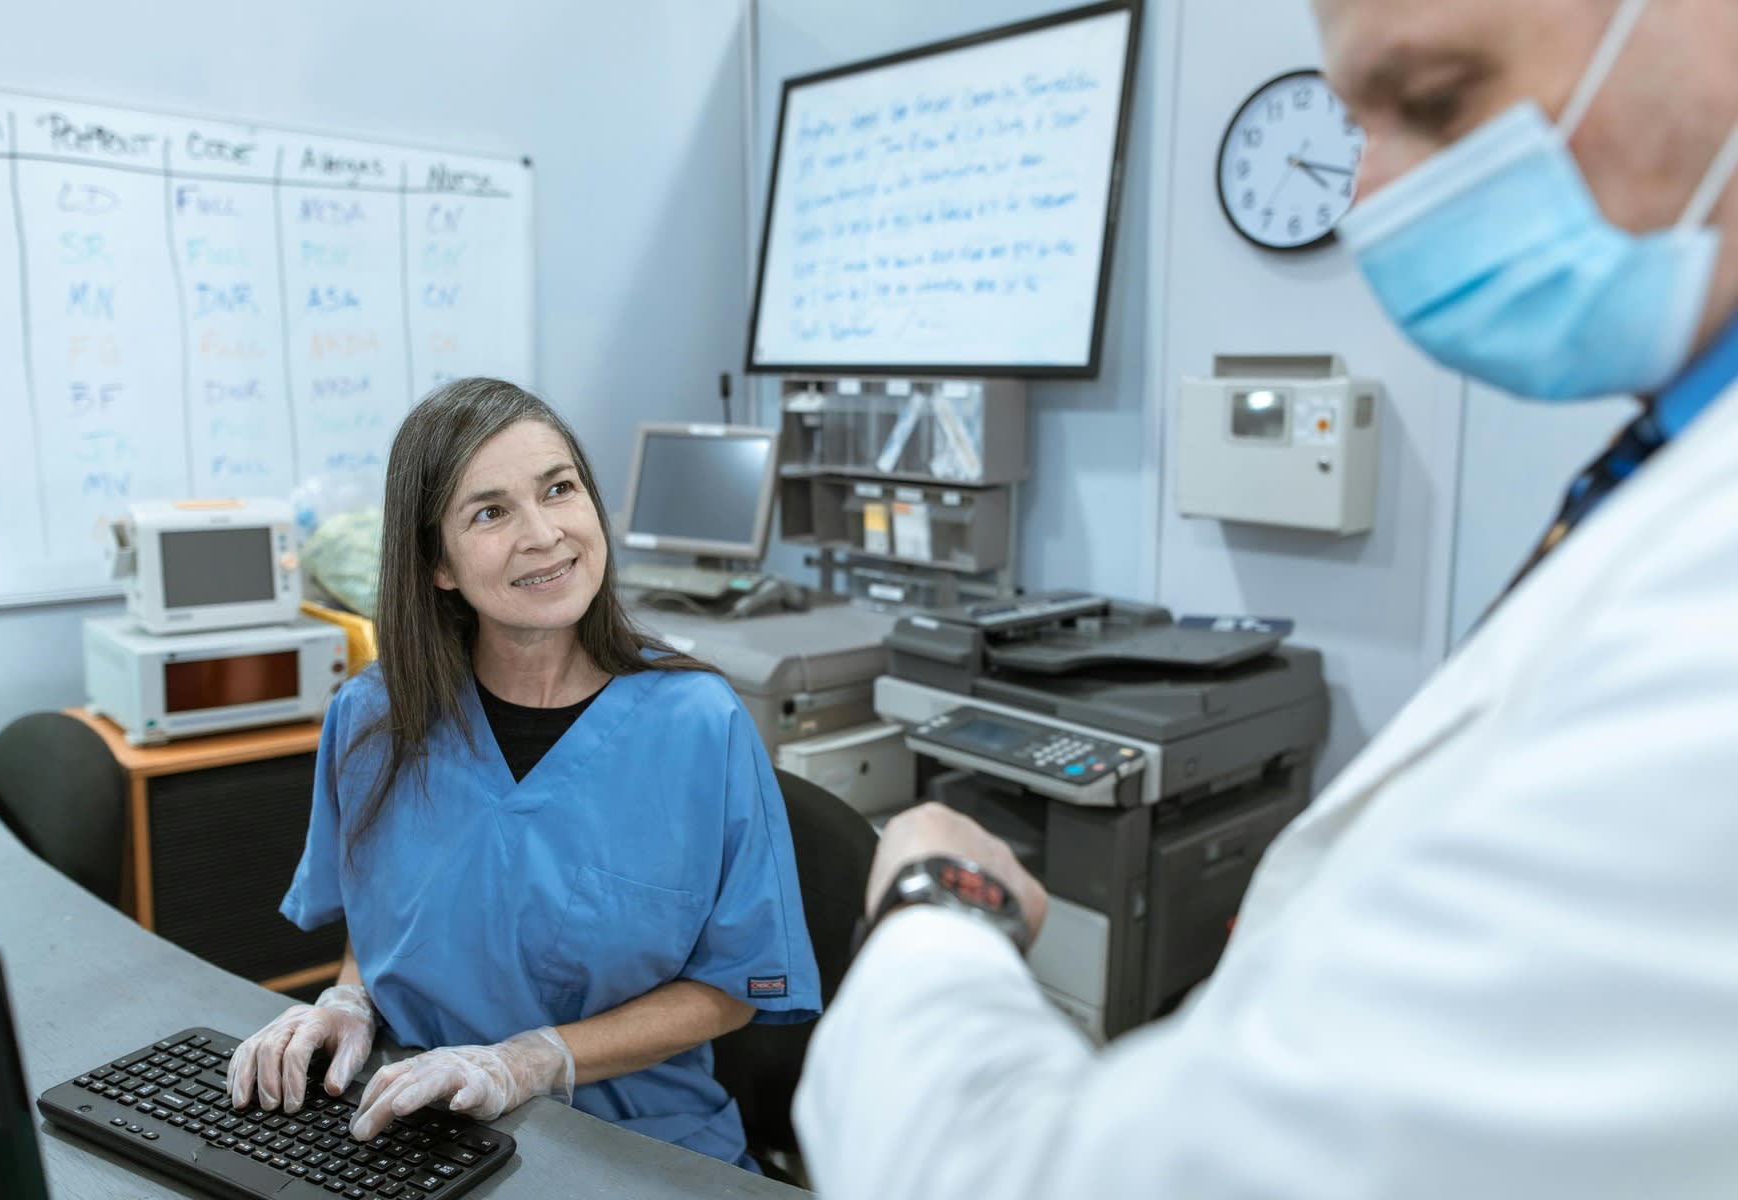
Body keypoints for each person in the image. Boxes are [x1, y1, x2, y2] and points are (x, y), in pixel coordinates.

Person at [793, 0, 1738, 1195]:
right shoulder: (1675, 461)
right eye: (1354, 129)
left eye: (1440, 98)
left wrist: (937, 898)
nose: (1370, 198)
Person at [226, 377, 820, 1171]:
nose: (543, 534)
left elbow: (733, 987)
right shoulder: (371, 718)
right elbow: (381, 921)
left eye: (559, 489)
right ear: (438, 563)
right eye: (490, 511)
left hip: (635, 1145)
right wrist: (349, 1000)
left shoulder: (698, 726)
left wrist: (530, 1061)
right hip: (418, 1126)